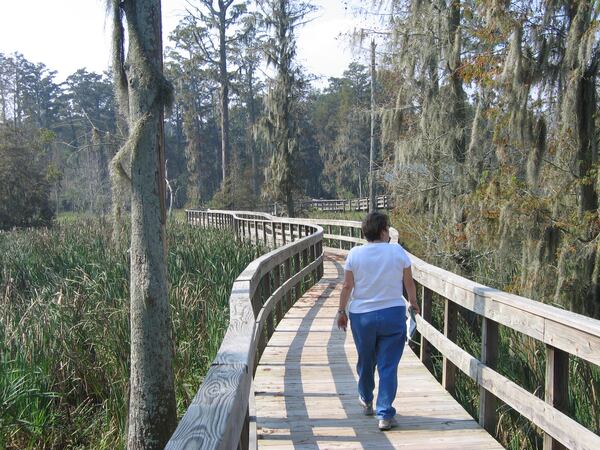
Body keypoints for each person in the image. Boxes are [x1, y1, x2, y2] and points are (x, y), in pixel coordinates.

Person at [336, 211, 420, 431]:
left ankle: (365, 398)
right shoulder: (397, 251)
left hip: (362, 317)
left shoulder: (355, 254)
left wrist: (340, 312)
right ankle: (384, 414)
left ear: (365, 232)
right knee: (388, 365)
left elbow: (347, 286)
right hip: (392, 314)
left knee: (366, 359)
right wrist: (413, 303)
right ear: (384, 231)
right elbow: (409, 283)